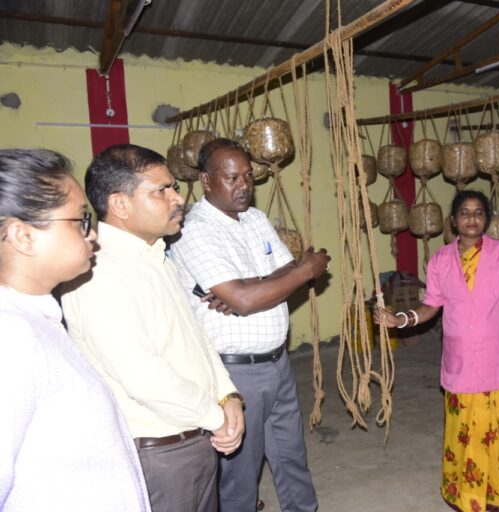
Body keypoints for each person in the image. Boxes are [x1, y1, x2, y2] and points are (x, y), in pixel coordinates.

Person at [61, 144, 245, 512]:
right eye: (162, 190)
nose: (178, 198)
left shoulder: (156, 257)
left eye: (174, 187)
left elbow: (195, 339)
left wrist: (228, 396)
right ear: (121, 205)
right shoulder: (99, 274)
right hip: (160, 455)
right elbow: (143, 375)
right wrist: (214, 416)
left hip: (194, 436)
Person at [170, 138, 329, 512]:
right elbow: (253, 295)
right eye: (231, 178)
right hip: (235, 373)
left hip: (277, 363)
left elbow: (281, 272)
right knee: (239, 476)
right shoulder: (194, 230)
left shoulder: (255, 219)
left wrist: (251, 288)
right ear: (207, 181)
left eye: (247, 176)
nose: (244, 185)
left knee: (291, 458)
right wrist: (300, 271)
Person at [0, 149, 150, 511]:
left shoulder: (35, 320)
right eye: (80, 220)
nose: (93, 234)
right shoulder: (11, 339)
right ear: (23, 237)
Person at [375, 189, 499, 512]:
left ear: (487, 219)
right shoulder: (440, 260)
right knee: (465, 434)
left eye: (478, 212)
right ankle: (470, 497)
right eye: (465, 212)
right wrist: (400, 319)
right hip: (460, 364)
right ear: (453, 220)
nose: (472, 218)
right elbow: (431, 305)